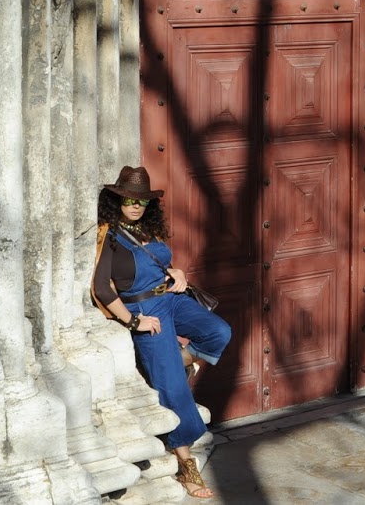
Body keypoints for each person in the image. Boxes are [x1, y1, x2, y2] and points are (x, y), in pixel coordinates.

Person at [92, 165, 231, 500]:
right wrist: (133, 321)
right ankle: (186, 464)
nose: (136, 205)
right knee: (172, 385)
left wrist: (177, 272)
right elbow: (102, 287)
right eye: (129, 199)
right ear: (118, 200)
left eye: (142, 200)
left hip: (171, 299)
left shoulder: (148, 231)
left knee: (218, 330)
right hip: (145, 310)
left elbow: (159, 265)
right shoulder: (109, 236)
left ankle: (180, 360)